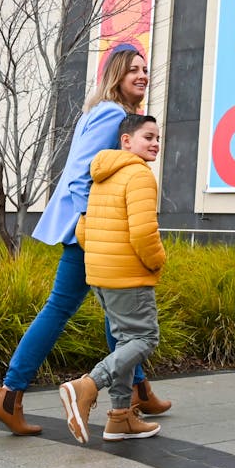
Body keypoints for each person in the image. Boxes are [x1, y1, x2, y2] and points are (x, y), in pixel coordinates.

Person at [0, 45, 170, 435]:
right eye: (132, 69)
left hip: (88, 229)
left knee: (112, 312)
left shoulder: (105, 112)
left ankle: (137, 390)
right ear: (115, 75)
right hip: (87, 231)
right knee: (63, 309)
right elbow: (81, 174)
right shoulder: (112, 114)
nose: (141, 75)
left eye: (144, 69)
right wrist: (91, 222)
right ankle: (10, 393)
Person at [60, 113, 166, 444]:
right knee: (145, 338)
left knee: (124, 342)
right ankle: (87, 386)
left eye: (158, 138)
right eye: (148, 137)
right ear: (126, 141)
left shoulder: (103, 174)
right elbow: (144, 233)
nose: (155, 144)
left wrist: (103, 257)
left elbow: (84, 227)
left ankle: (120, 418)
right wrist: (157, 262)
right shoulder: (139, 176)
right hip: (129, 275)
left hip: (101, 275)